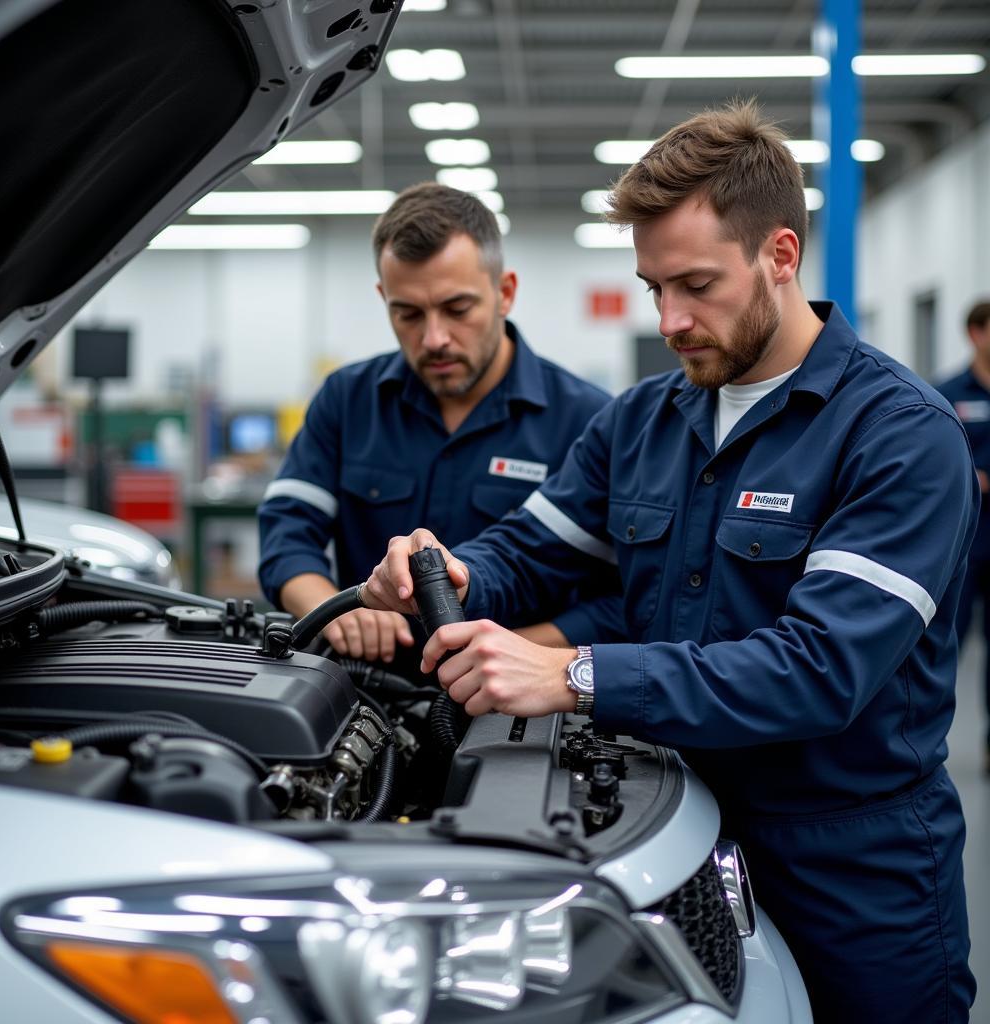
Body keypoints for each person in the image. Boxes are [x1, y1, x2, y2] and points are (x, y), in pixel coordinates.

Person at [363, 102, 978, 1022]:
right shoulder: (645, 418)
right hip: (670, 834)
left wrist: (570, 673)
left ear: (780, 254)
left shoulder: (900, 436)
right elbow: (531, 550)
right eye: (654, 288)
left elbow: (819, 670)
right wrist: (442, 570)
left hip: (850, 872)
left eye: (695, 284)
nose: (671, 319)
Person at [258, 182, 618, 664]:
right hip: (364, 692)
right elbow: (287, 529)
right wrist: (334, 609)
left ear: (504, 292)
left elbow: (622, 595)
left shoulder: (587, 418)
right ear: (383, 297)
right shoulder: (347, 400)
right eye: (407, 313)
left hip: (514, 704)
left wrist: (519, 649)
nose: (434, 338)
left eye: (457, 309)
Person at [937, 299, 990, 776]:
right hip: (964, 546)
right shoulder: (946, 395)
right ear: (976, 333)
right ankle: (931, 739)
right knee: (945, 643)